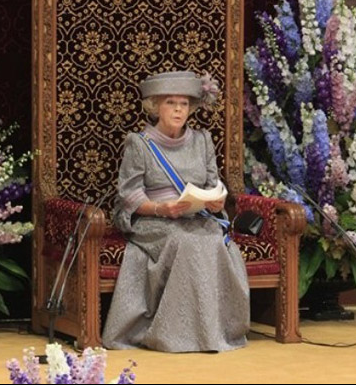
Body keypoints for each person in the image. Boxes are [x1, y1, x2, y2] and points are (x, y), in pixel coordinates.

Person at [102, 71, 250, 353]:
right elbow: (129, 194)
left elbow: (213, 183)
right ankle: (174, 335)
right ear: (155, 106)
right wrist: (162, 208)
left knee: (212, 240)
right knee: (186, 242)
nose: (178, 110)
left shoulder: (202, 140)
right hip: (153, 220)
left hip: (195, 216)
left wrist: (216, 200)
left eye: (184, 104)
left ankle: (210, 333)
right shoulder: (139, 143)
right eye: (171, 103)